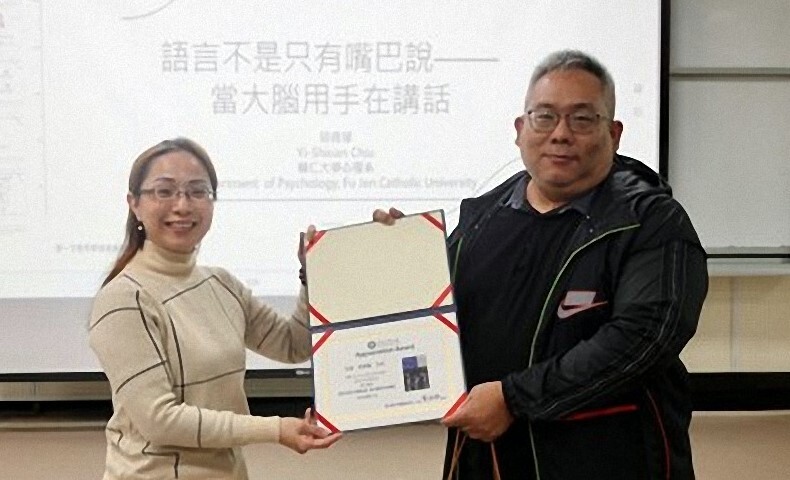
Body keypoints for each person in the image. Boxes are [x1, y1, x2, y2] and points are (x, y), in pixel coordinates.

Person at [374, 50, 708, 479]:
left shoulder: (651, 222)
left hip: (607, 459)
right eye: (545, 117)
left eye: (582, 119)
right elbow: (434, 320)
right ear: (520, 130)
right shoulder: (481, 219)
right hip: (487, 458)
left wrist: (514, 399)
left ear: (614, 133)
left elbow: (643, 339)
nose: (561, 134)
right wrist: (380, 264)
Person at [89, 138, 340, 479]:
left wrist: (312, 274)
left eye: (197, 191)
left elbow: (292, 345)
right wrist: (276, 429)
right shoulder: (124, 298)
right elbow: (160, 421)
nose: (182, 205)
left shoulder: (221, 284)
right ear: (134, 204)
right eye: (164, 191)